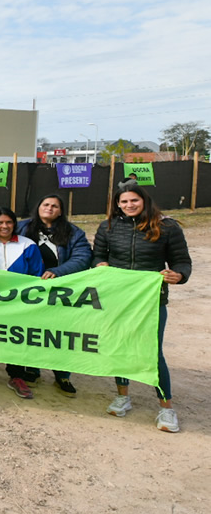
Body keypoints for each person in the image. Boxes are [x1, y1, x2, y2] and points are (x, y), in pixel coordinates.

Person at [93, 185, 191, 432]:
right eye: (123, 201)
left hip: (151, 300)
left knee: (152, 353)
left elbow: (181, 261)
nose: (128, 205)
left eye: (133, 200)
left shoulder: (167, 227)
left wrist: (178, 275)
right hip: (118, 299)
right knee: (120, 348)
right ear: (117, 204)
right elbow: (97, 256)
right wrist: (100, 263)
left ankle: (166, 408)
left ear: (144, 201)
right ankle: (122, 396)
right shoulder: (108, 227)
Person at [17, 194, 93, 396]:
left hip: (59, 290)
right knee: (32, 331)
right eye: (46, 204)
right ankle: (31, 369)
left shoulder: (74, 233)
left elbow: (83, 257)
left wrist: (58, 272)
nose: (49, 208)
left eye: (55, 206)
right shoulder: (23, 228)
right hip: (29, 290)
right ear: (38, 206)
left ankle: (62, 374)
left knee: (59, 333)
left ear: (61, 211)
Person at [0, 207, 44, 397]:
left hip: (18, 303)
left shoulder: (27, 245)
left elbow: (36, 275)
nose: (4, 226)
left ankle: (16, 375)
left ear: (14, 224)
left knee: (16, 338)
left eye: (9, 222)